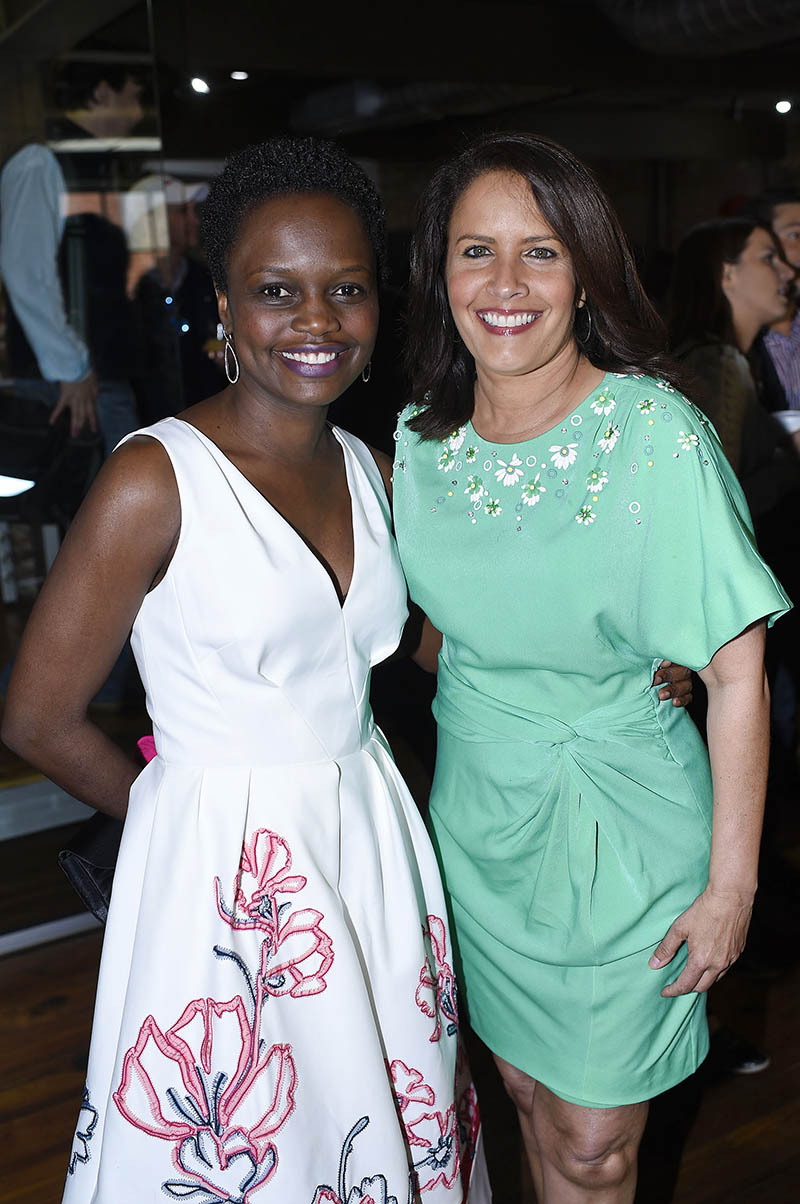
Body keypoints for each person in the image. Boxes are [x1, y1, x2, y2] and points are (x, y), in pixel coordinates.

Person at [1, 138, 490, 1203]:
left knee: (371, 1137)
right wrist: (187, 826)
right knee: (253, 1153)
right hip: (225, 885)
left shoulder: (370, 464)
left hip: (366, 837)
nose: (316, 321)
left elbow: (421, 643)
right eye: (277, 291)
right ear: (222, 302)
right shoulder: (152, 479)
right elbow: (38, 717)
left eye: (344, 290)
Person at [391, 133, 790, 1203]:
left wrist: (730, 886)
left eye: (542, 252)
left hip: (628, 839)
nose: (506, 284)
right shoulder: (414, 449)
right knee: (522, 1095)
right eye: (476, 251)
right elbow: (432, 635)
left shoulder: (654, 431)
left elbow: (736, 671)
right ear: (438, 272)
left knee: (589, 1139)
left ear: (585, 276)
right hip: (478, 834)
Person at [0, 60, 145, 452]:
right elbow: (27, 272)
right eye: (134, 94)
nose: (141, 110)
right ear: (100, 92)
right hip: (70, 381)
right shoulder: (40, 162)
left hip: (93, 374)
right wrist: (69, 367)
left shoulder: (96, 169)